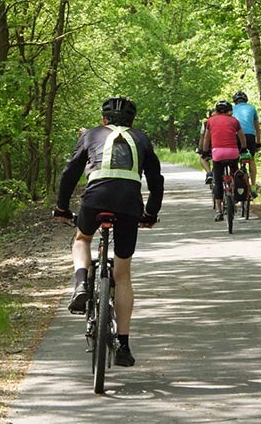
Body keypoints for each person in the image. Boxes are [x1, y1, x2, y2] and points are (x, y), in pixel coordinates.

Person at [53, 96, 164, 367]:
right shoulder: (142, 138)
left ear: (103, 120)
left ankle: (81, 283)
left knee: (81, 238)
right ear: (132, 122)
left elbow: (70, 173)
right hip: (129, 203)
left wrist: (62, 207)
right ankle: (123, 346)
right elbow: (156, 179)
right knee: (122, 274)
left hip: (95, 198)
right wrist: (150, 213)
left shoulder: (90, 135)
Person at [202, 100, 248, 221]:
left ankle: (218, 211)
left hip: (217, 153)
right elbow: (242, 137)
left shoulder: (210, 121)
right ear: (229, 111)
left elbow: (207, 139)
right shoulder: (234, 121)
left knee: (217, 181)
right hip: (232, 152)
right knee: (235, 173)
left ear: (216, 111)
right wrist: (243, 148)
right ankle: (235, 193)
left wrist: (205, 151)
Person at [232, 91, 261, 198]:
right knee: (251, 159)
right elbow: (257, 128)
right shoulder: (252, 108)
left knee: (234, 159)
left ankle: (234, 184)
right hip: (250, 136)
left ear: (235, 101)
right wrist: (258, 142)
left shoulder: (231, 109)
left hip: (236, 135)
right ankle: (253, 187)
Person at [196, 108, 215, 184]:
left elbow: (203, 137)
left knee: (203, 158)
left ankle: (209, 173)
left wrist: (201, 149)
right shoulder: (227, 121)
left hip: (210, 147)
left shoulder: (206, 123)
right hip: (226, 147)